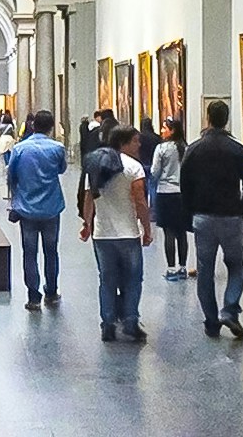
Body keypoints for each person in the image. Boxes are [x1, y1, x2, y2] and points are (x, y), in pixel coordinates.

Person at [181, 100, 243, 340]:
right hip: (232, 216)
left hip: (203, 216)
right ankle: (230, 309)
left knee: (205, 270)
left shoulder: (194, 149)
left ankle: (211, 321)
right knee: (236, 265)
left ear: (208, 118)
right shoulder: (238, 149)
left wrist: (190, 213)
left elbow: (185, 185)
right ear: (227, 119)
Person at [80, 125, 153, 342]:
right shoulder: (134, 167)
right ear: (123, 143)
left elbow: (88, 198)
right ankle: (130, 321)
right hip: (128, 233)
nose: (139, 145)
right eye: (135, 141)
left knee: (107, 280)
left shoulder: (96, 166)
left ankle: (108, 323)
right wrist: (147, 229)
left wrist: (87, 224)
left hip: (102, 234)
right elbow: (140, 201)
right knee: (133, 279)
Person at [5, 109, 68, 311]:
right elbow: (62, 169)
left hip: (27, 208)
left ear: (33, 125)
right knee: (51, 251)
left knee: (29, 253)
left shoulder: (20, 149)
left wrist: (16, 196)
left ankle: (33, 296)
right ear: (51, 127)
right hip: (51, 207)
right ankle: (51, 292)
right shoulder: (57, 148)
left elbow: (11, 176)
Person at [150, 117, 191, 280]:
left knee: (169, 232)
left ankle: (171, 269)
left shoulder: (161, 148)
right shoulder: (186, 148)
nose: (162, 130)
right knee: (182, 232)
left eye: (164, 128)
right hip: (183, 194)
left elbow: (155, 171)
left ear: (172, 130)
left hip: (165, 193)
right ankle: (183, 267)